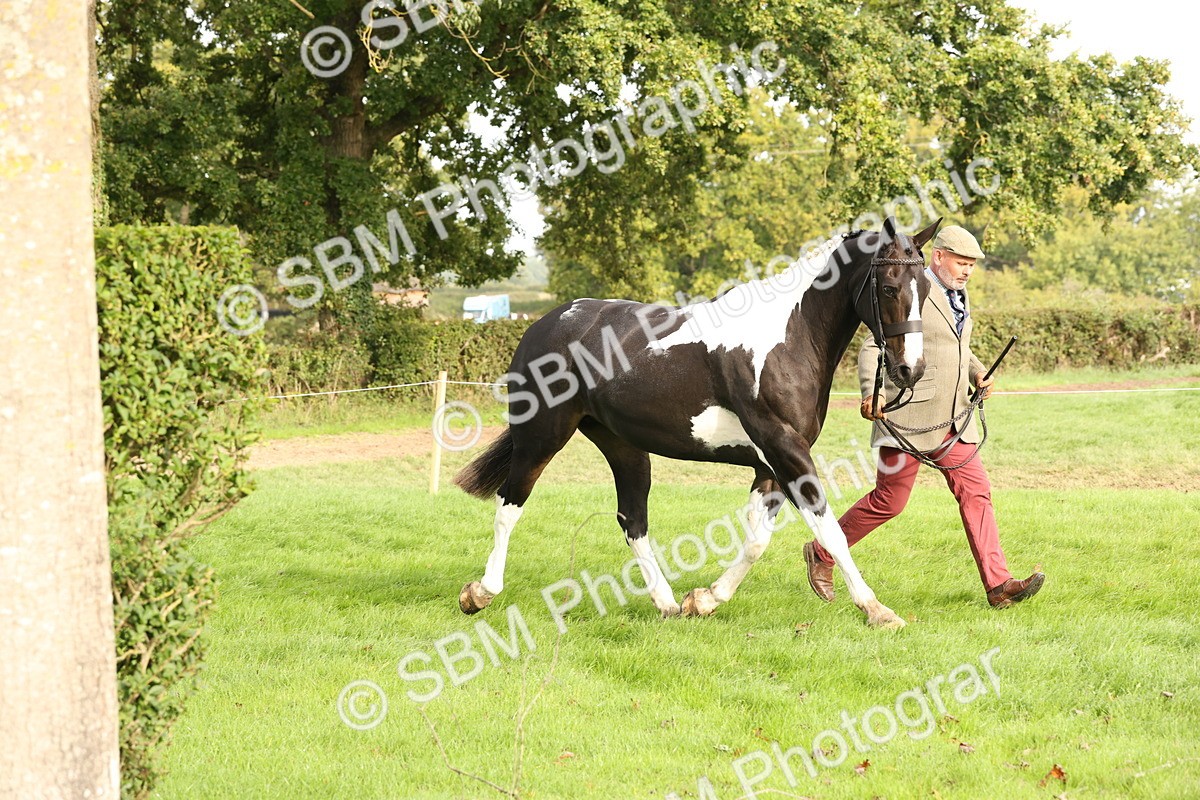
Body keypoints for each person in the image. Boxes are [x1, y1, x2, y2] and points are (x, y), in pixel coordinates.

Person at [803, 225, 1044, 608]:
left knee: (976, 493)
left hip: (952, 420)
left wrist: (977, 371)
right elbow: (871, 346)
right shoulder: (908, 289)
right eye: (961, 262)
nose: (967, 271)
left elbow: (953, 345)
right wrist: (872, 391)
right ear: (938, 256)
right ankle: (823, 551)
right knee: (889, 501)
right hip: (906, 420)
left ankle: (999, 587)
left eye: (972, 265)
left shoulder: (958, 296)